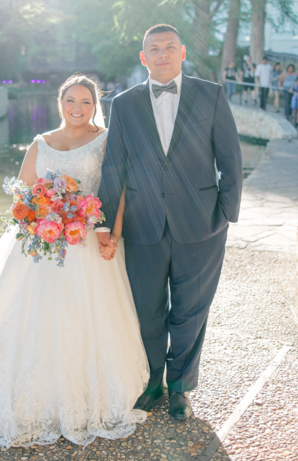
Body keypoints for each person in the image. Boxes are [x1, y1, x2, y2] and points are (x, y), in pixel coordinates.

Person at [0, 75, 149, 447]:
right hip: (42, 245)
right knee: (27, 317)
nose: (77, 107)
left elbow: (117, 191)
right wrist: (39, 215)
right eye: (71, 100)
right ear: (60, 103)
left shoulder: (105, 141)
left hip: (87, 242)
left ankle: (83, 398)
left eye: (86, 101)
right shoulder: (41, 144)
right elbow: (22, 196)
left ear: (95, 105)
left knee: (83, 318)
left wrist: (113, 234)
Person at [97, 24, 242, 420]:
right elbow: (114, 166)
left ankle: (180, 387)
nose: (163, 54)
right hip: (143, 225)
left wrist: (227, 213)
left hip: (202, 224)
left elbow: (229, 158)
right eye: (154, 49)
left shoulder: (210, 95)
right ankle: (152, 382)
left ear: (182, 53)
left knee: (191, 311)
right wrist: (105, 225)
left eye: (170, 47)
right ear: (143, 58)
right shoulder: (124, 104)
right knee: (147, 309)